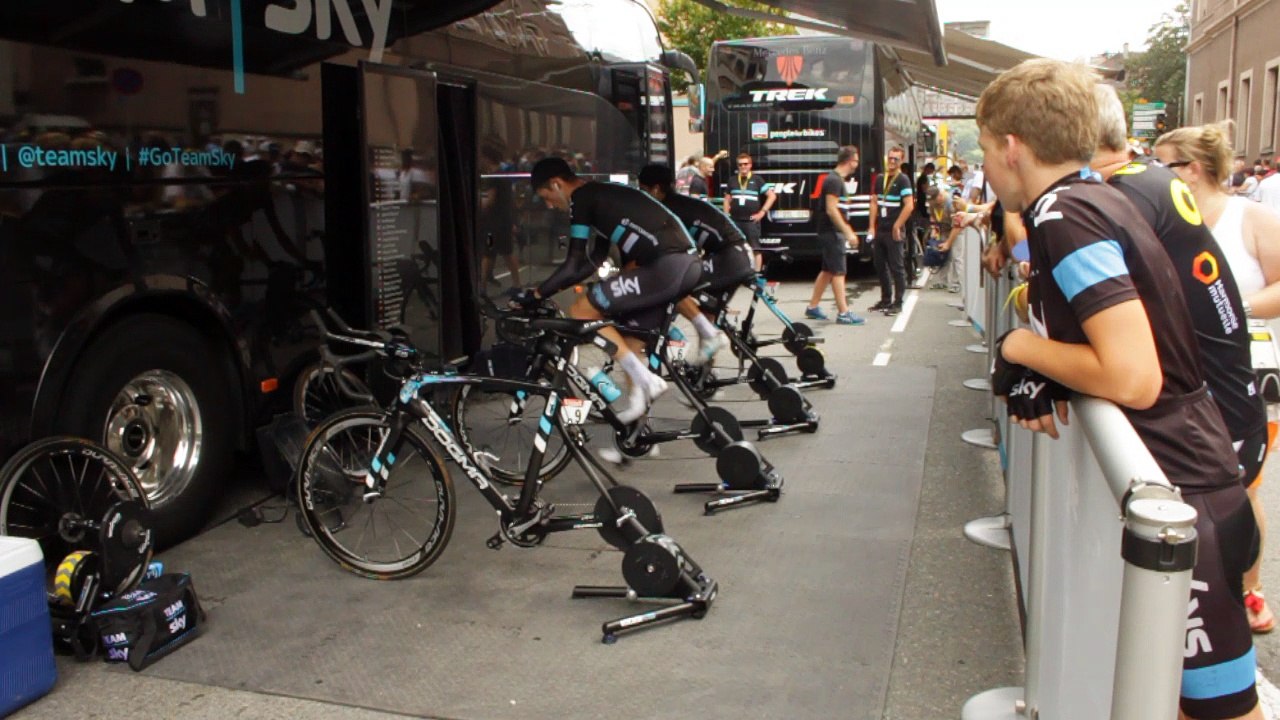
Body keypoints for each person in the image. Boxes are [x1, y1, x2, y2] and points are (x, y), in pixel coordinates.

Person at [980, 59, 1261, 720]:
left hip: (1185, 491)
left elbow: (1133, 377)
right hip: (1192, 479)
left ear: (1012, 148)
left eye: (988, 151)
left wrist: (1018, 348)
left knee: (1221, 713)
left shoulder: (1062, 217)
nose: (988, 169)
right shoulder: (1089, 195)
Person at [1155, 123, 1280, 637]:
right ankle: (1186, 587)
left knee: (1243, 486)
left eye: (1163, 165)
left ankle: (1249, 587)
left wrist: (1225, 313)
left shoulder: (1251, 218)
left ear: (1193, 169)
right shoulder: (1164, 221)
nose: (1152, 175)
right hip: (1183, 375)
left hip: (1248, 372)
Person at [515, 158, 701, 423]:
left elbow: (573, 262)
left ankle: (648, 380)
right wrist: (546, 290)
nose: (548, 205)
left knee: (581, 309)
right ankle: (638, 423)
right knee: (629, 342)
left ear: (556, 184)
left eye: (546, 196)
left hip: (667, 266)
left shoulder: (582, 199)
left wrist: (535, 295)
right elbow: (591, 262)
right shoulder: (600, 197)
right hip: (685, 264)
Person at [637, 164, 756, 361]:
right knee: (706, 313)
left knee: (673, 286)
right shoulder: (680, 202)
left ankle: (706, 341)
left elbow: (673, 251)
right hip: (736, 254)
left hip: (729, 257)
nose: (642, 196)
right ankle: (704, 375)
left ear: (656, 189)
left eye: (643, 190)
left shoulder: (667, 210)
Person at [802, 146, 864, 324]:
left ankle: (813, 307)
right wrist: (848, 232)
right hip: (832, 232)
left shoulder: (836, 180)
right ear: (849, 160)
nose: (857, 164)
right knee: (838, 271)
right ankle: (843, 312)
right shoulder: (834, 180)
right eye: (856, 160)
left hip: (830, 231)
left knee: (828, 270)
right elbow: (831, 209)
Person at [867, 145, 914, 315]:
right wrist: (872, 226)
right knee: (880, 265)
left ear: (901, 161)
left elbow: (909, 205)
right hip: (881, 229)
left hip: (894, 230)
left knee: (897, 267)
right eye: (890, 158)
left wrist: (897, 225)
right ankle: (885, 299)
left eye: (896, 159)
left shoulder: (903, 180)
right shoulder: (880, 179)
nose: (892, 162)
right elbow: (874, 202)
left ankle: (898, 302)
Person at [722, 152, 776, 271]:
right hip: (735, 221)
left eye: (745, 164)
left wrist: (762, 212)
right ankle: (736, 274)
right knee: (735, 248)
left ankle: (756, 275)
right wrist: (726, 216)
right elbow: (727, 200)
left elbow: (772, 196)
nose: (743, 167)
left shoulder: (757, 180)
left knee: (755, 249)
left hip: (751, 221)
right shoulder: (732, 180)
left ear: (750, 165)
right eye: (740, 165)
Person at [925, 185, 965, 292]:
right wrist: (934, 228)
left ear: (940, 196)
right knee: (942, 255)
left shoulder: (951, 204)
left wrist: (948, 242)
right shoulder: (933, 204)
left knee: (956, 257)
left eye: (933, 199)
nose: (931, 203)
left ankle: (957, 283)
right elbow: (932, 216)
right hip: (943, 229)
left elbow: (957, 226)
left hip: (957, 229)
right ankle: (942, 281)